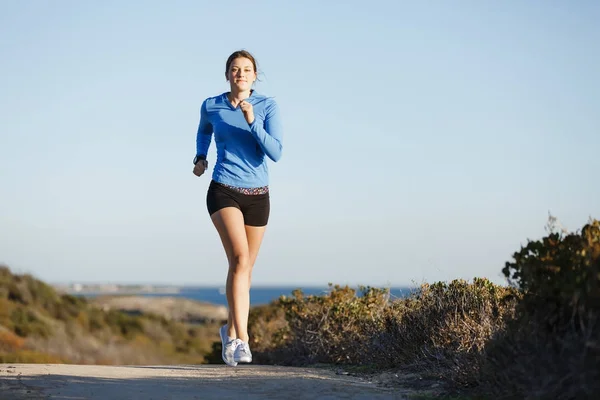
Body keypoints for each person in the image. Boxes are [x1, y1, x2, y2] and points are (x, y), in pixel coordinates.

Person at [192, 50, 283, 367]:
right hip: (223, 190)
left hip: (259, 195)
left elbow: (276, 152)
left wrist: (252, 122)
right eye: (235, 69)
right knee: (241, 260)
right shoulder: (212, 105)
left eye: (246, 69)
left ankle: (228, 331)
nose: (240, 73)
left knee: (243, 269)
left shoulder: (267, 106)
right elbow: (204, 130)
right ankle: (240, 340)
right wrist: (200, 156)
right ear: (227, 74)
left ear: (254, 76)